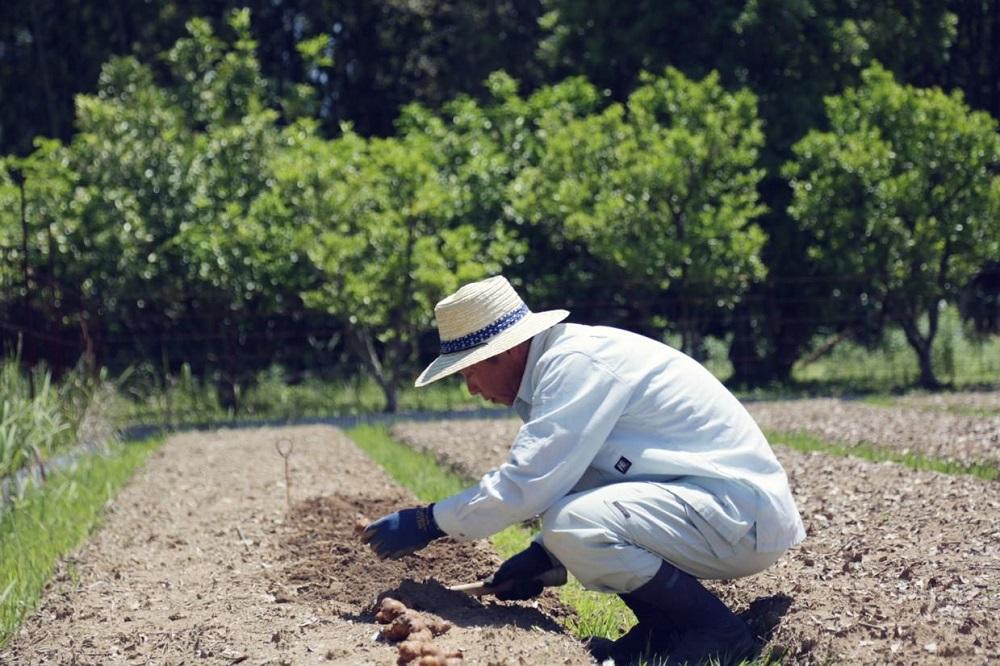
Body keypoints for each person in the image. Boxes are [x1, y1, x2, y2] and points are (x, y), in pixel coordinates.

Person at [362, 276, 805, 665]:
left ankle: (717, 632)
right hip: (710, 509)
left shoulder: (576, 365)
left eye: (470, 373)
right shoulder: (560, 366)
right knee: (569, 523)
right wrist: (543, 556)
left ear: (509, 351)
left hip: (736, 513)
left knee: (573, 523)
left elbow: (527, 484)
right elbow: (587, 480)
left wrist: (428, 521)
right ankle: (663, 632)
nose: (473, 389)